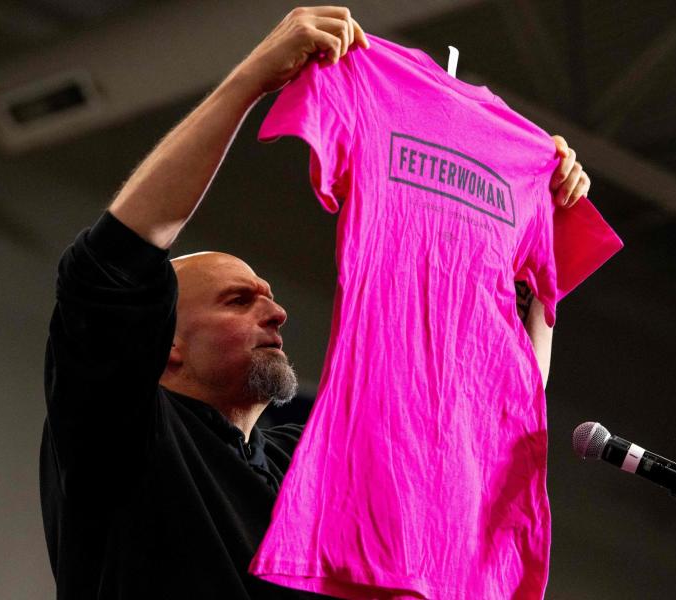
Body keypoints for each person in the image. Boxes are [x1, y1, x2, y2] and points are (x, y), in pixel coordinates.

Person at [40, 6, 591, 599]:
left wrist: (538, 253)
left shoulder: (301, 474)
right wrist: (252, 79)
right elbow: (111, 263)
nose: (276, 314)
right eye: (237, 301)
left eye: (267, 299)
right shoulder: (120, 430)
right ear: (164, 340)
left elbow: (482, 423)